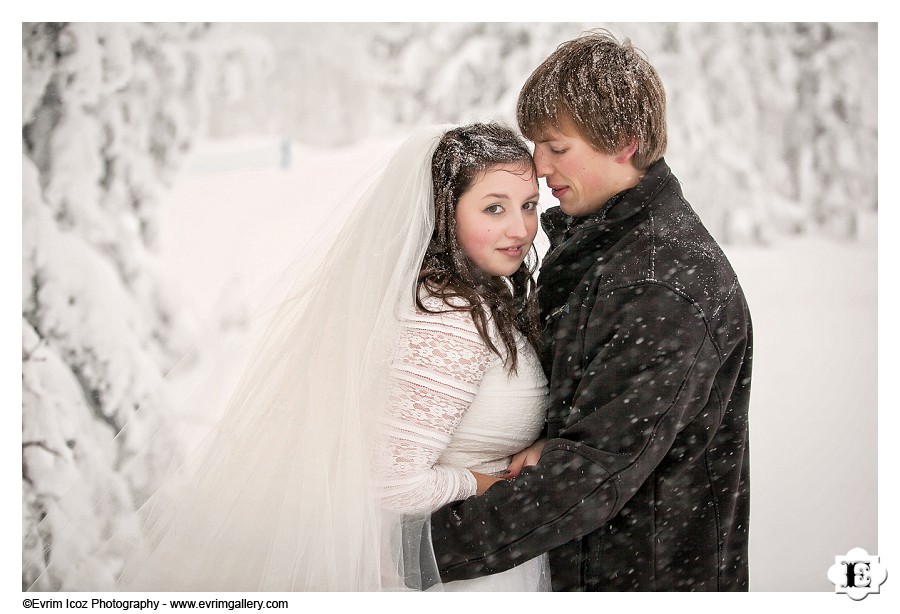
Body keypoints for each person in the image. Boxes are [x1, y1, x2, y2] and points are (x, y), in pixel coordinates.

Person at [24, 122, 551, 592]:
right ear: (443, 212)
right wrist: (488, 481)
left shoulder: (479, 300)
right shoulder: (450, 321)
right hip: (456, 573)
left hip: (475, 553)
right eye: (494, 207)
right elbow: (391, 481)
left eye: (528, 205)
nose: (520, 229)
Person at [428, 30, 753, 591]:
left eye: (557, 147)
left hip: (642, 578)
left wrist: (425, 553)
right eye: (537, 145)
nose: (539, 165)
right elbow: (592, 412)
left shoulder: (663, 282)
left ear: (624, 141)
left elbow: (593, 471)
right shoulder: (603, 248)